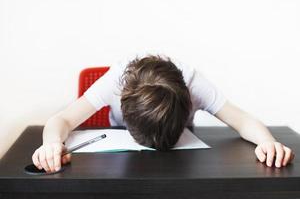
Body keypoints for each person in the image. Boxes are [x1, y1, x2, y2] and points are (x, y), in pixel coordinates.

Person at [32, 55, 294, 173]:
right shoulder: (115, 81)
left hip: (179, 164)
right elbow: (62, 120)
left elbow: (243, 120)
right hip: (121, 165)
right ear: (122, 102)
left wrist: (267, 141)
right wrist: (51, 144)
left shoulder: (194, 84)